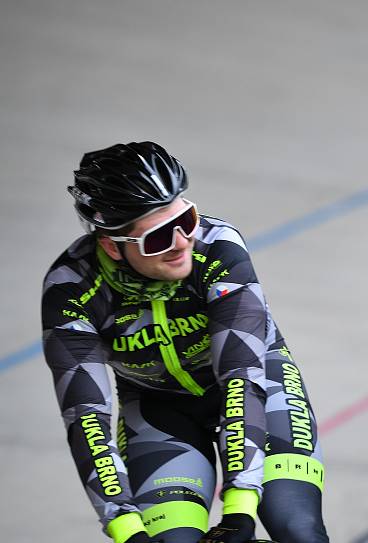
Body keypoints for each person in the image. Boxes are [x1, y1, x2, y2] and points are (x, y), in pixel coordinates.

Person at [41, 142, 329, 543]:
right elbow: (87, 418)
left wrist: (240, 509)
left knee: (297, 529)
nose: (181, 242)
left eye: (186, 220)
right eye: (158, 238)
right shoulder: (71, 290)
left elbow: (241, 377)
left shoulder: (218, 246)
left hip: (255, 385)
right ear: (112, 246)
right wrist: (126, 528)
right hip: (159, 408)